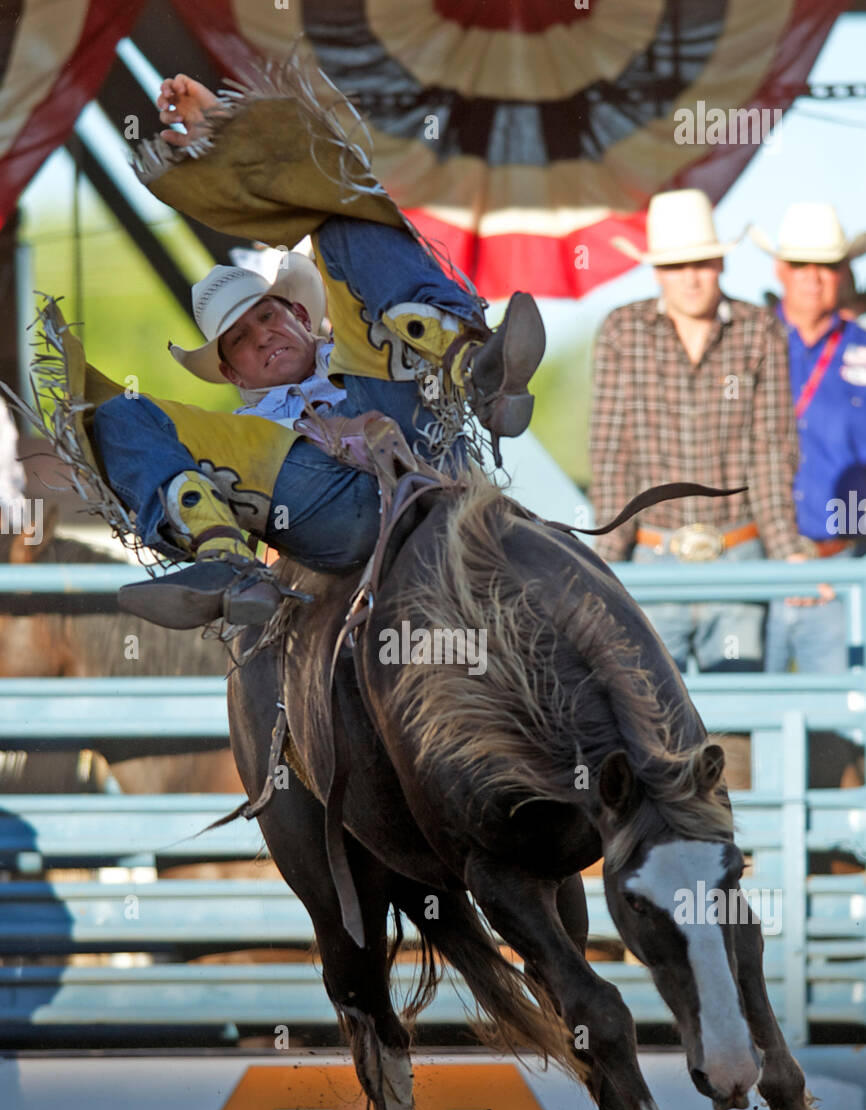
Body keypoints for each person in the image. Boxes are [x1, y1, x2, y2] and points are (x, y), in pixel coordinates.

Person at [90, 73, 545, 630]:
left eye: (267, 315)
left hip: (417, 445)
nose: (262, 336)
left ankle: (473, 365)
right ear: (232, 370)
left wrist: (221, 135)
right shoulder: (244, 430)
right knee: (114, 413)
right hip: (316, 498)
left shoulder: (363, 345)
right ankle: (224, 559)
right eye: (239, 340)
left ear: (301, 316)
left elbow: (340, 183)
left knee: (342, 219)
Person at [590, 188, 805, 673]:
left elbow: (771, 449)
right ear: (656, 271)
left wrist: (787, 550)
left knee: (739, 715)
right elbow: (610, 454)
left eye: (702, 263)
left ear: (721, 264)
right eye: (675, 266)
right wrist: (605, 556)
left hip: (738, 551)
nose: (690, 278)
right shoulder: (622, 331)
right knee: (649, 722)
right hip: (652, 555)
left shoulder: (758, 330)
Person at [750, 203, 866, 673]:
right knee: (740, 727)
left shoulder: (863, 346)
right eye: (801, 264)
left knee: (844, 724)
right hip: (752, 563)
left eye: (828, 264)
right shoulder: (745, 343)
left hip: (841, 565)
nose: (814, 276)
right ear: (780, 268)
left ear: (844, 272)